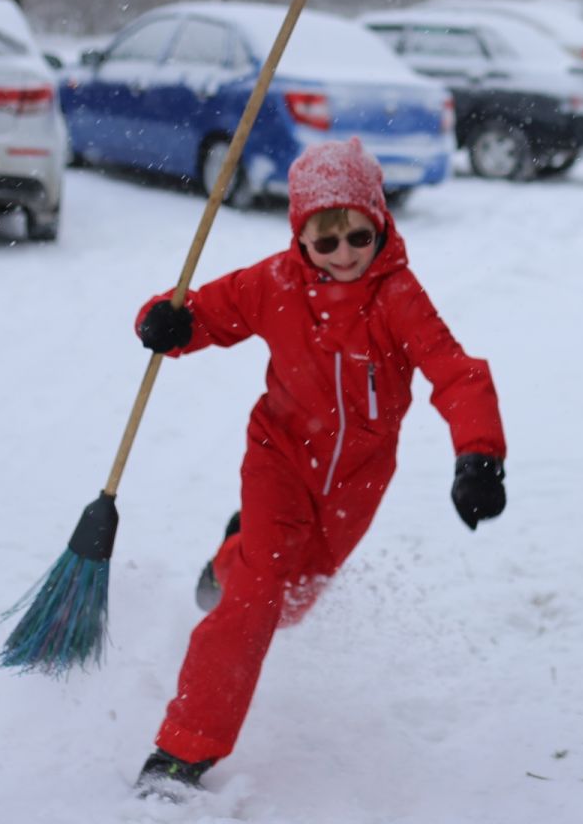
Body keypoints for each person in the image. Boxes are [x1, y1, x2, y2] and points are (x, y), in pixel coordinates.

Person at [130, 137, 507, 800]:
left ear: (379, 227)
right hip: (279, 456)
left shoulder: (397, 296)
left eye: (358, 237)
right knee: (258, 595)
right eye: (324, 242)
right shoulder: (274, 283)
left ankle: (232, 551)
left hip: (357, 479)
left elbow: (457, 374)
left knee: (293, 601)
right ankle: (183, 750)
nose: (343, 255)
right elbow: (204, 314)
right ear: (300, 238)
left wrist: (478, 456)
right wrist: (166, 323)